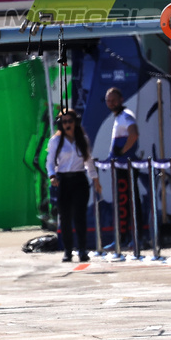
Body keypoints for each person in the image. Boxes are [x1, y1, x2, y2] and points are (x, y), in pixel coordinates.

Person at [46, 109, 101, 262]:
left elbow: (88, 162)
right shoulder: (55, 141)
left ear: (75, 122)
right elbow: (49, 162)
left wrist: (95, 179)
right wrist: (52, 176)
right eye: (64, 122)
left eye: (70, 121)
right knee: (64, 217)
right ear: (60, 125)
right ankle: (68, 250)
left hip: (79, 180)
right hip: (63, 180)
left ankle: (82, 249)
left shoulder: (82, 139)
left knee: (79, 217)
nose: (67, 124)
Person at [106, 87, 144, 245]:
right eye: (108, 101)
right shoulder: (118, 117)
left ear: (121, 99)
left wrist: (122, 151)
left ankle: (136, 238)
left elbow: (134, 133)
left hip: (126, 167)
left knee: (130, 202)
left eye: (114, 100)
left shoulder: (126, 115)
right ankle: (123, 238)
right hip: (120, 168)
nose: (111, 103)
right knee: (123, 202)